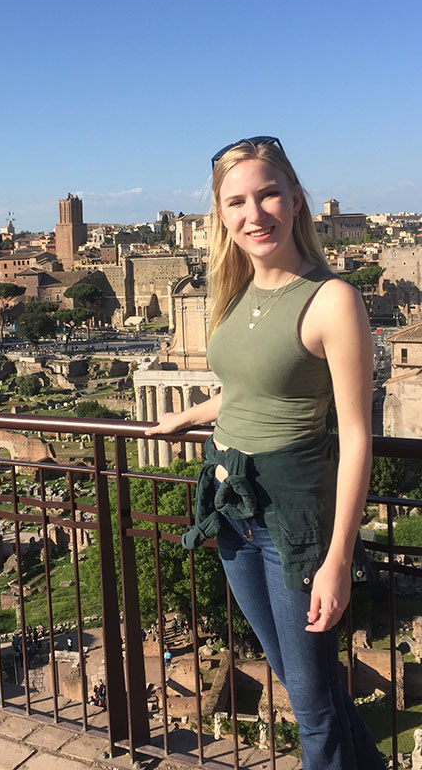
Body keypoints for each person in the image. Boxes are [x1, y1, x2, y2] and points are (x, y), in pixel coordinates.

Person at [145, 137, 384, 769]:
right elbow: (246, 387)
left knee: (310, 707)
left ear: (297, 199)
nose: (256, 213)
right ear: (220, 217)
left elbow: (355, 434)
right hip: (229, 503)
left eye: (269, 193)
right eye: (237, 202)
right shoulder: (239, 289)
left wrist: (337, 559)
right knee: (303, 680)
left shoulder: (332, 298)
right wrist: (187, 415)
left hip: (293, 518)